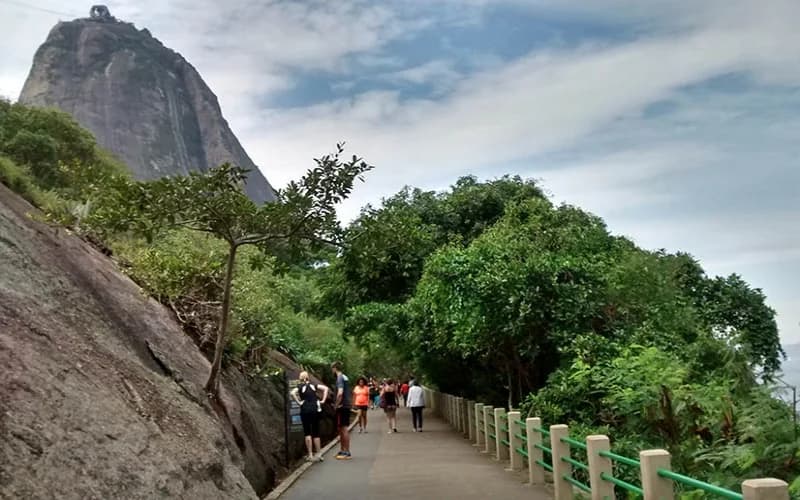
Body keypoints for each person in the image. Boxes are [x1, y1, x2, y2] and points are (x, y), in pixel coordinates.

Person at [290, 371, 329, 462]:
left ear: (300, 378)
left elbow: (292, 393)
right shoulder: (313, 385)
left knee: (307, 432)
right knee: (316, 431)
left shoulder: (299, 387)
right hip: (315, 409)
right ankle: (319, 454)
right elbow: (325, 388)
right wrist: (323, 400)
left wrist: (299, 402)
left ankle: (310, 455)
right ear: (308, 378)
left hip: (305, 410)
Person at [331, 361, 352, 460]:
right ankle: (343, 449)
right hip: (346, 405)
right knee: (341, 428)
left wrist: (336, 404)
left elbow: (340, 393)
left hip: (342, 406)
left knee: (343, 428)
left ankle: (347, 451)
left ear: (335, 368)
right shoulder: (344, 377)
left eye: (332, 368)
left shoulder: (339, 378)